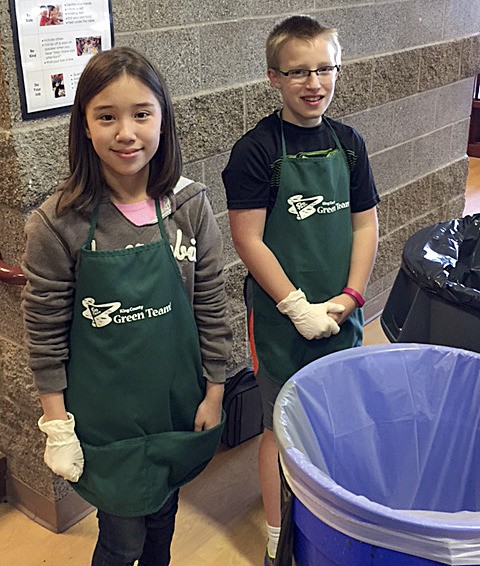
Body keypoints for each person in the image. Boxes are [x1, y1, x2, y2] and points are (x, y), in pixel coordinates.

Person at [22, 46, 232, 566]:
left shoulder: (189, 205)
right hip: (104, 423)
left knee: (163, 522)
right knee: (122, 541)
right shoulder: (57, 223)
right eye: (106, 116)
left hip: (176, 406)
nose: (126, 132)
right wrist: (58, 427)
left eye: (142, 113)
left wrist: (214, 392)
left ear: (163, 118)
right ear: (84, 127)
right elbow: (44, 335)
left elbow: (212, 304)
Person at [222, 15, 379, 565]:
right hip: (279, 318)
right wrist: (295, 307)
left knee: (335, 408)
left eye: (324, 68)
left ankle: (331, 509)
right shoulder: (255, 150)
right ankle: (275, 531)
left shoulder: (350, 144)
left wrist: (351, 298)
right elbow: (249, 239)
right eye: (297, 72)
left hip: (341, 310)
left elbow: (365, 224)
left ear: (338, 68)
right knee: (279, 424)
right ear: (273, 77)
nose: (314, 83)